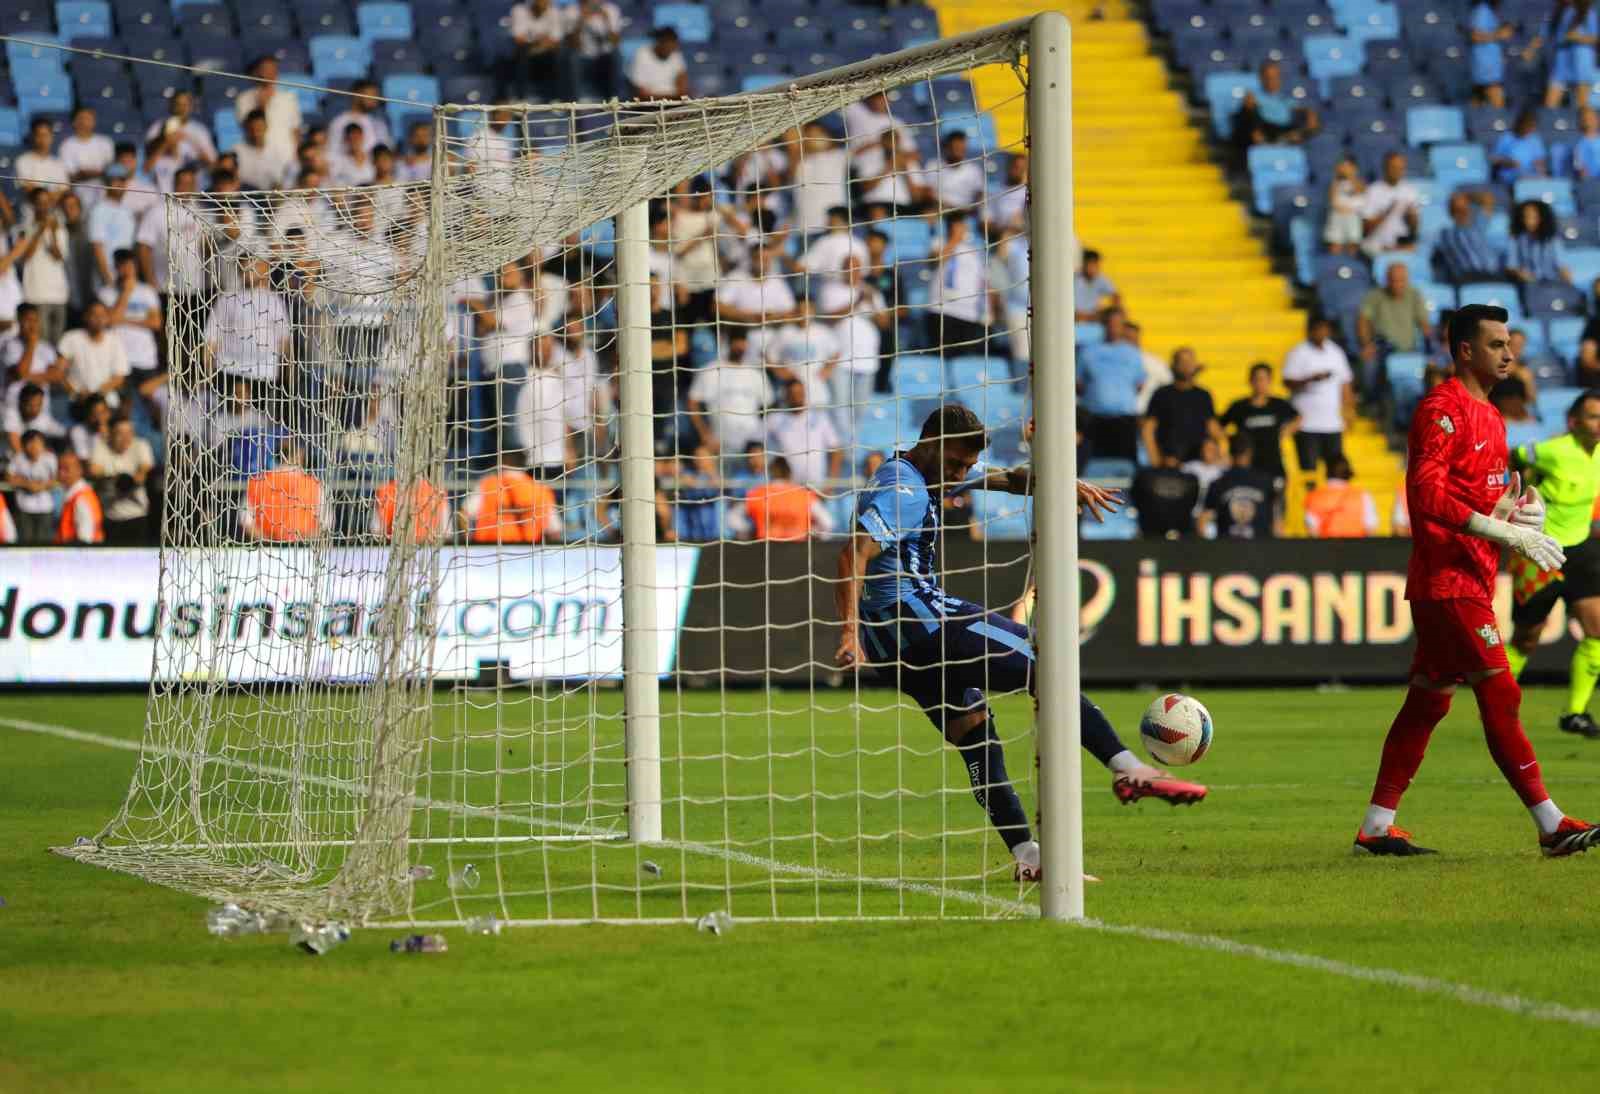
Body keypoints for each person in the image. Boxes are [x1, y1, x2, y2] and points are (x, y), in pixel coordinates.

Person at [833, 405, 1206, 882]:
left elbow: (1007, 479)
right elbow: (851, 553)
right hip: (924, 622)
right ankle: (1126, 767)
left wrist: (1055, 482)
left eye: (965, 468)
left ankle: (1028, 856)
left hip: (894, 652)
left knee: (975, 736)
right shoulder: (903, 488)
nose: (960, 476)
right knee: (1049, 662)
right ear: (932, 442)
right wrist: (846, 631)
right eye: (955, 465)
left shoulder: (924, 472)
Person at [1354, 303, 1600, 858]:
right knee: (1501, 689)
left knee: (1428, 702)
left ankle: (1376, 824)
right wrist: (1504, 533)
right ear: (1465, 350)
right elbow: (1426, 493)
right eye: (1495, 344)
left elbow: (1474, 499)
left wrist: (1514, 516)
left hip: (1470, 574)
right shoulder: (1442, 409)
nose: (1509, 352)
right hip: (1447, 580)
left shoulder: (1491, 414)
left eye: (1509, 342)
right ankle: (1551, 822)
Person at [1504, 390, 1600, 739]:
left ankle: (1575, 712)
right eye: (1592, 417)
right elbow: (1514, 455)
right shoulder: (1552, 451)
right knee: (1527, 638)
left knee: (1598, 631)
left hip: (1581, 550)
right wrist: (1521, 492)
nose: (1598, 424)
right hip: (1540, 551)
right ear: (1573, 423)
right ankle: (1496, 703)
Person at [1282, 315, 1355, 479]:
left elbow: (1345, 384)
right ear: (1310, 331)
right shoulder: (1298, 352)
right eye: (1317, 329)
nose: (1321, 332)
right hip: (1306, 424)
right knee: (1309, 471)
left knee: (1336, 470)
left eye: (1324, 328)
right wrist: (1311, 379)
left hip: (1332, 424)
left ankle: (1333, 503)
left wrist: (1349, 411)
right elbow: (1287, 382)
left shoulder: (1336, 353)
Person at [1357, 263, 1433, 395]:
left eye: (1401, 280)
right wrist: (1366, 344)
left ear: (1407, 280)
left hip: (1410, 348)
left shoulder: (1414, 294)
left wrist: (1431, 347)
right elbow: (1363, 321)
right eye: (1393, 280)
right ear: (1387, 279)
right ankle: (1371, 400)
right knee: (1369, 364)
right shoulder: (1374, 296)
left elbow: (1424, 323)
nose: (1397, 284)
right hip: (1382, 347)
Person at [1078, 308, 1144, 461]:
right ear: (1104, 325)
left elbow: (1139, 383)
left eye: (1118, 324)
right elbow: (1079, 383)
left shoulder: (1133, 353)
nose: (1114, 327)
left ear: (1123, 326)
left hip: (1125, 419)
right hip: (1095, 418)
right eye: (1110, 323)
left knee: (1125, 465)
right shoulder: (1088, 351)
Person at [1140, 347, 1224, 467]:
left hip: (1198, 464)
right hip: (1170, 463)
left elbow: (1213, 428)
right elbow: (1148, 430)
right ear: (1174, 365)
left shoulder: (1203, 395)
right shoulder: (1162, 394)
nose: (1186, 366)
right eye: (1182, 362)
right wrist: (1156, 460)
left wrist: (1222, 454)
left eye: (1190, 362)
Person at [1220, 363, 1299, 483]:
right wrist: (1228, 444)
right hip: (1247, 466)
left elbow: (1298, 417)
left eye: (1264, 379)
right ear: (1250, 381)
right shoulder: (1239, 407)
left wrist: (1285, 432)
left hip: (1273, 464)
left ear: (1269, 381)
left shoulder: (1278, 404)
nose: (1260, 383)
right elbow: (1218, 426)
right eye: (1257, 379)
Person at [460, 451, 561, 544]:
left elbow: (463, 514)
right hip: (530, 552)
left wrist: (469, 542)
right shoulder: (541, 489)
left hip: (489, 551)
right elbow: (555, 531)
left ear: (503, 459)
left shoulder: (488, 484)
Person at [242, 440, 327, 542]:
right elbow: (325, 524)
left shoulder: (256, 483)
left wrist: (268, 542)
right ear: (300, 455)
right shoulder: (314, 485)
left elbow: (246, 523)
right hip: (303, 550)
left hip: (267, 551)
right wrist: (303, 540)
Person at [88, 416, 153, 544]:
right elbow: (94, 470)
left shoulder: (140, 445)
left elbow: (143, 471)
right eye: (120, 433)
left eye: (129, 433)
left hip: (137, 514)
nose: (126, 438)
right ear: (110, 434)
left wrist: (127, 480)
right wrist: (116, 477)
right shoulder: (101, 446)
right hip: (111, 516)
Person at [1199, 435, 1279, 539]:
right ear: (1250, 453)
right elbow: (1277, 523)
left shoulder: (1218, 483)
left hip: (1227, 549)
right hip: (1260, 549)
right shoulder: (1266, 481)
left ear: (1230, 453)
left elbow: (1202, 521)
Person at [741, 455, 833, 540]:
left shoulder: (757, 494)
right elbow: (827, 523)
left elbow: (733, 518)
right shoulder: (804, 495)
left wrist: (750, 531)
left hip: (765, 550)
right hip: (798, 549)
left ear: (770, 474)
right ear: (790, 474)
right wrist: (811, 533)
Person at [234, 56, 302, 168]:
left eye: (273, 69)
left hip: (286, 156)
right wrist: (262, 106)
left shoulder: (288, 98)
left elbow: (295, 129)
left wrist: (296, 155)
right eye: (265, 69)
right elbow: (247, 127)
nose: (270, 72)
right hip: (258, 158)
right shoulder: (244, 98)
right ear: (256, 72)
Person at [1537, 0, 1599, 109]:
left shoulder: (1588, 13)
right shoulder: (1557, 12)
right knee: (1549, 104)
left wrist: (1578, 37)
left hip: (1581, 58)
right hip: (1561, 58)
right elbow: (1544, 34)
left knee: (1583, 105)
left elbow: (1595, 38)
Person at [1434, 191, 1506, 284]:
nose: (1464, 212)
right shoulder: (1446, 234)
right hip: (1470, 276)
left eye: (1466, 208)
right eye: (1458, 210)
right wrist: (1461, 200)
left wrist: (1467, 196)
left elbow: (1488, 199)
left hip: (1493, 274)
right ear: (1452, 213)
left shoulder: (1478, 226)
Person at [1361, 151, 1421, 258]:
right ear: (1385, 168)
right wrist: (1387, 212)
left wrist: (1411, 217)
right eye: (1394, 167)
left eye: (1400, 168)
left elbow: (1415, 229)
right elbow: (1366, 228)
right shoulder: (1373, 190)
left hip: (1400, 244)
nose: (1397, 171)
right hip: (1377, 245)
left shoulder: (1410, 191)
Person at [4, 429, 58, 543]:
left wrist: (40, 487)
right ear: (23, 445)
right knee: (25, 543)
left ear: (43, 444)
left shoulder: (50, 458)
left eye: (37, 442)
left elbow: (56, 480)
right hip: (24, 507)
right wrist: (28, 484)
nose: (34, 446)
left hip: (45, 508)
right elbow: (9, 478)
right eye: (30, 443)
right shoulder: (18, 459)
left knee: (45, 544)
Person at [1303, 458, 1378, 538]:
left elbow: (1312, 528)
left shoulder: (1315, 496)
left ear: (1326, 472)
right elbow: (1370, 527)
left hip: (1326, 546)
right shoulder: (1363, 495)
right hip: (1357, 546)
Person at [59, 107, 115, 210]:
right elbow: (71, 176)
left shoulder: (105, 142)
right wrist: (98, 173)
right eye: (81, 118)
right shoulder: (67, 145)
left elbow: (111, 171)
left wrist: (88, 172)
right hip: (79, 196)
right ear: (74, 122)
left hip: (103, 195)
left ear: (94, 121)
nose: (85, 122)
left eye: (89, 118)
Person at [1506, 199, 1572, 286]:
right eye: (1525, 217)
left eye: (1533, 217)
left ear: (1542, 219)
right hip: (1526, 285)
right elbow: (1511, 266)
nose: (1528, 221)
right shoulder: (1516, 239)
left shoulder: (1553, 240)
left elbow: (1563, 267)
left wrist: (1568, 285)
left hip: (1552, 284)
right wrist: (1520, 274)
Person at [372, 476, 450, 543]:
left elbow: (446, 533)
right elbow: (376, 532)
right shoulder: (384, 491)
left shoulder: (438, 492)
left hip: (428, 549)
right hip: (393, 548)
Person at [1470, 2, 1515, 107]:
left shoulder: (1493, 11)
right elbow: (1475, 36)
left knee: (1476, 102)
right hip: (1486, 68)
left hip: (1490, 67)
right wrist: (1498, 34)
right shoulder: (1482, 11)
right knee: (1498, 104)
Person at [54, 449, 102, 544]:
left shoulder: (81, 499)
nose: (61, 473)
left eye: (66, 469)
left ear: (79, 470)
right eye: (59, 468)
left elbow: (85, 539)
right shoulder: (72, 494)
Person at [628, 26, 689, 100]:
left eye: (673, 44)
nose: (670, 47)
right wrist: (671, 97)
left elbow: (682, 89)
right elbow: (641, 93)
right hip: (648, 106)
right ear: (659, 42)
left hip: (674, 104)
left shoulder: (676, 55)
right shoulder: (641, 55)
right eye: (667, 43)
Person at [2, 382, 65, 453]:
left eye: (38, 405)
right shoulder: (10, 413)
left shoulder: (43, 417)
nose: (35, 410)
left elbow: (62, 433)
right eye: (30, 405)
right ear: (21, 403)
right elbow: (16, 446)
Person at [1323, 157, 1366, 256]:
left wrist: (1351, 176)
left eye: (1347, 166)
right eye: (1342, 166)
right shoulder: (1334, 183)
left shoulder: (1359, 182)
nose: (1344, 169)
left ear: (1354, 168)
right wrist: (1337, 178)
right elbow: (1332, 198)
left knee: (1353, 245)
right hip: (1337, 217)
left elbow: (1360, 190)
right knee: (1335, 246)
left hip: (1353, 217)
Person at [1073, 249, 1118, 321]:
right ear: (1084, 264)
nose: (1093, 268)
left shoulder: (1101, 279)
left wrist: (1111, 309)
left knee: (1117, 314)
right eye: (1091, 264)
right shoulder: (1075, 278)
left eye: (1095, 264)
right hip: (1075, 316)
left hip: (1093, 317)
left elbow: (1116, 296)